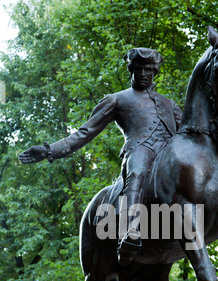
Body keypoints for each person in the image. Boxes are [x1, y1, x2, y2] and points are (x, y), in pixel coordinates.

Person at [19, 48, 182, 265]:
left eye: (148, 69)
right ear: (131, 70)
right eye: (138, 69)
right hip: (139, 151)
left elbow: (186, 135)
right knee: (137, 170)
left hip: (171, 157)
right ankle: (130, 230)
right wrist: (49, 150)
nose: (143, 73)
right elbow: (84, 133)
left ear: (155, 72)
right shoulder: (116, 100)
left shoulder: (169, 104)